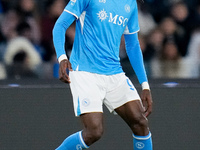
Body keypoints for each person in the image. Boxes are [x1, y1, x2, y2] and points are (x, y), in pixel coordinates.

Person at [53, 0, 153, 149]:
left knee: (140, 122)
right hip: (85, 72)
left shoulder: (130, 3)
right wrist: (62, 58)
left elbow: (132, 45)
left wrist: (145, 85)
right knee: (94, 131)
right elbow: (60, 26)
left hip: (114, 72)